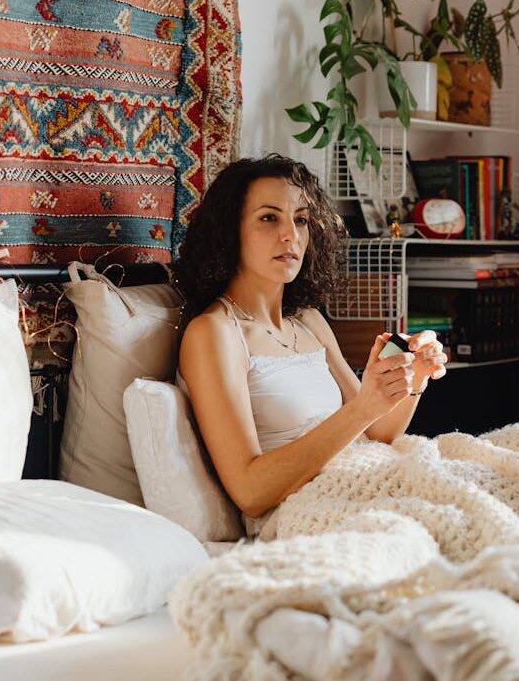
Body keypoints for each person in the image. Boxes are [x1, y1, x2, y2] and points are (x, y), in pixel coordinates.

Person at [174, 154, 447, 532]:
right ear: (229, 230)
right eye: (269, 218)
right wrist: (364, 408)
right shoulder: (214, 333)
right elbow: (250, 493)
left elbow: (378, 432)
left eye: (300, 219)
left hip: (366, 476)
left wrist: (411, 377)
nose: (291, 235)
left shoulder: (308, 321)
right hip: (309, 510)